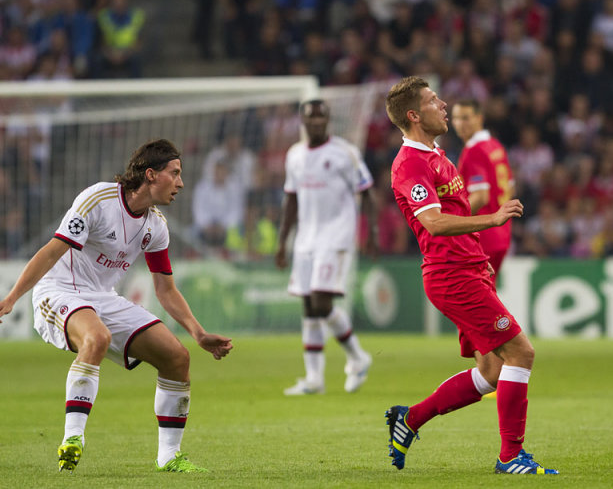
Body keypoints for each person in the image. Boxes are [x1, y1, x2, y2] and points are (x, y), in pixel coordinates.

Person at [0, 139, 233, 473]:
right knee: (97, 338)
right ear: (151, 175)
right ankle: (73, 439)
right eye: (175, 173)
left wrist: (197, 333)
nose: (181, 183)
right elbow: (52, 250)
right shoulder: (98, 199)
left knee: (177, 358)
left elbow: (165, 289)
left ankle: (168, 456)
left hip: (103, 298)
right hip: (59, 290)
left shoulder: (156, 226)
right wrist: (12, 298)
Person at [383, 76, 558, 475]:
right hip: (452, 277)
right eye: (432, 101)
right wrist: (492, 217)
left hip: (469, 269)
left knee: (493, 371)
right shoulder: (409, 164)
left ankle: (408, 420)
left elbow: (455, 213)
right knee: (521, 353)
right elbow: (433, 223)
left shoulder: (437, 153)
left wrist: (480, 256)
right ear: (414, 115)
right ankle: (511, 457)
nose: (442, 104)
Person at [275, 100, 376, 395]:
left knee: (321, 302)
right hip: (306, 238)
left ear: (328, 121)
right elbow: (291, 200)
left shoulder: (344, 153)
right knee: (308, 306)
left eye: (321, 119)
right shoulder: (294, 155)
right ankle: (314, 379)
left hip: (336, 235)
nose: (316, 123)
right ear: (302, 122)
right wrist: (282, 242)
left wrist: (372, 232)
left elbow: (367, 192)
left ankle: (358, 357)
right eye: (310, 119)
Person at [451, 99, 516, 276]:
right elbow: (510, 188)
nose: (460, 123)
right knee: (486, 293)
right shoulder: (495, 146)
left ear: (479, 118)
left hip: (483, 238)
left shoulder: (474, 151)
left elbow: (480, 197)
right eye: (456, 118)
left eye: (466, 118)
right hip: (502, 236)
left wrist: (452, 223)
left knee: (470, 297)